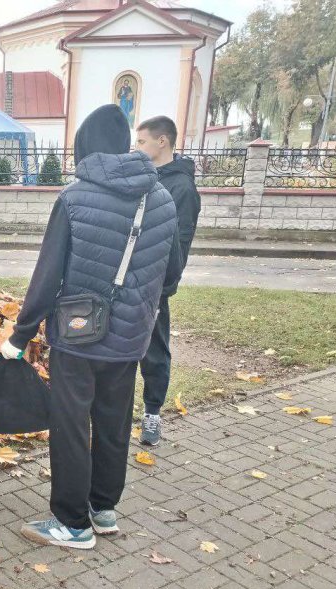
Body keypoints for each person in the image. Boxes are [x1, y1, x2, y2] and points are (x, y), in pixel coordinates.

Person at [0, 105, 180, 550]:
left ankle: (71, 523)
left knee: (72, 425)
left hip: (79, 337)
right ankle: (103, 509)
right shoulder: (161, 199)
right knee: (115, 422)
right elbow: (171, 274)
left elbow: (47, 278)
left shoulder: (75, 198)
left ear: (85, 148)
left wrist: (19, 336)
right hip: (130, 339)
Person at [135, 116, 201, 446]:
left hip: (155, 287)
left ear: (162, 141)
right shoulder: (144, 178)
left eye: (142, 141)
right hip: (128, 280)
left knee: (154, 350)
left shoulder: (182, 188)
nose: (137, 147)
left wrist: (163, 288)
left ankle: (152, 415)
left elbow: (180, 244)